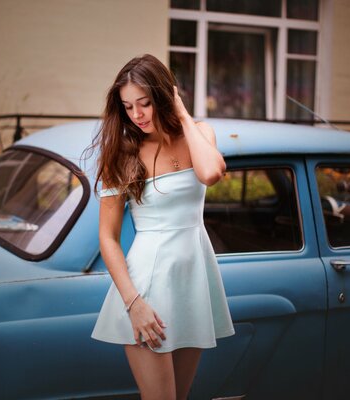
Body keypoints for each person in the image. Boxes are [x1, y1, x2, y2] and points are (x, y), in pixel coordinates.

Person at [89, 54, 235, 400]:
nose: (137, 115)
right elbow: (107, 238)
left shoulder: (199, 133)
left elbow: (211, 173)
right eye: (128, 107)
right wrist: (133, 303)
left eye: (145, 103)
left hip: (192, 283)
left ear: (164, 97)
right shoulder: (123, 154)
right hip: (146, 288)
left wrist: (182, 114)